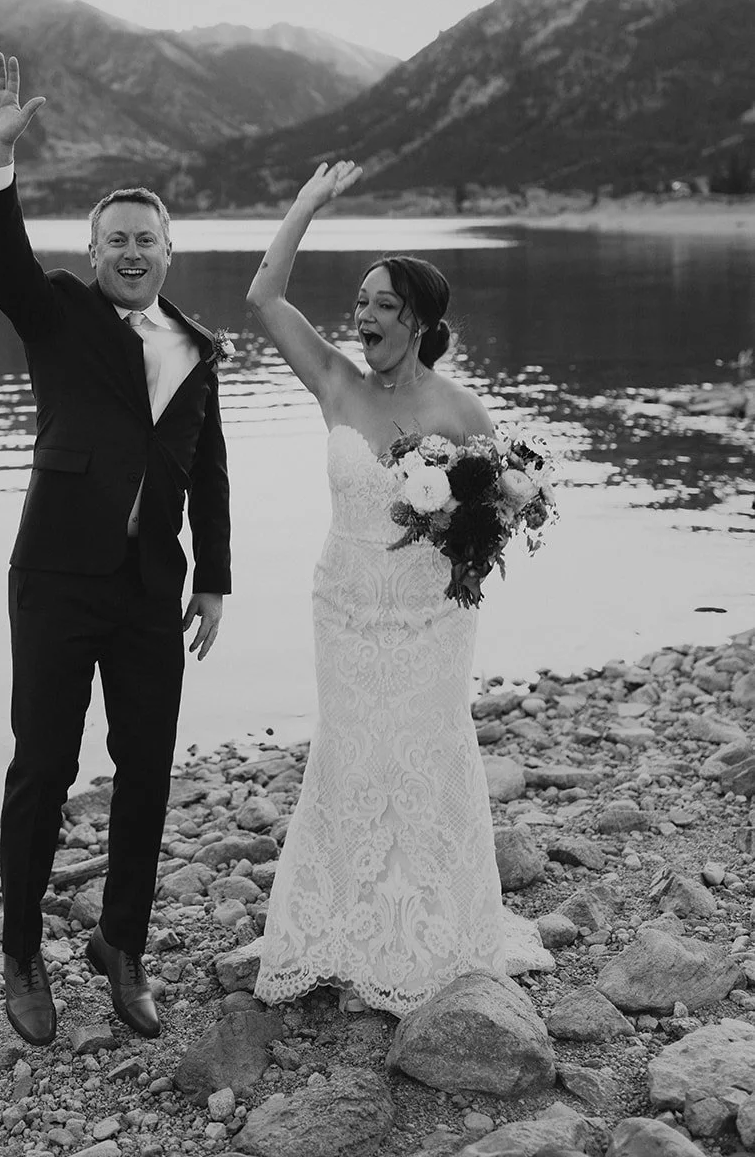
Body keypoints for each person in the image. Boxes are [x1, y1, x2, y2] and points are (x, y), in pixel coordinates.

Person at [0, 52, 231, 1046]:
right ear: (95, 247)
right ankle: (22, 951)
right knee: (43, 762)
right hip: (56, 578)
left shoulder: (199, 350)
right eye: (114, 238)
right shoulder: (60, 313)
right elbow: (2, 264)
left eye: (145, 239)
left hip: (150, 590)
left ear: (170, 249)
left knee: (150, 770)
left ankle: (122, 945)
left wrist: (215, 580)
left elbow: (208, 471)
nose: (130, 250)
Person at [246, 160, 507, 1016]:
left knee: (425, 753)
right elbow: (263, 298)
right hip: (344, 605)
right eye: (359, 306)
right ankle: (343, 928)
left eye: (382, 307)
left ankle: (435, 932)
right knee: (353, 755)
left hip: (429, 619)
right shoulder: (336, 384)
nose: (363, 321)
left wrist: (461, 551)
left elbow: (499, 513)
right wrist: (307, 205)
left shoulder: (461, 413)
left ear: (420, 321)